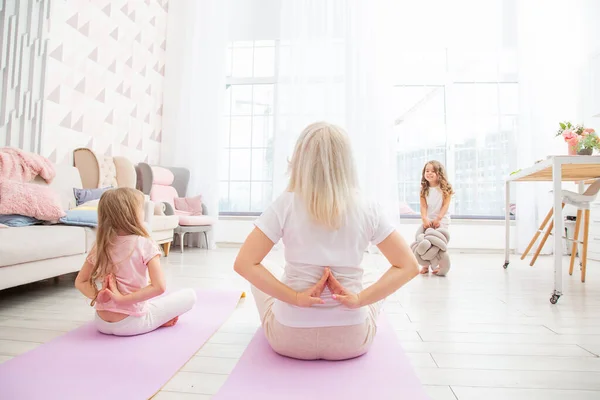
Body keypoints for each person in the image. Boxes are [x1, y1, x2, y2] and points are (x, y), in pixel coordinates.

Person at [234, 122, 419, 361]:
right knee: (372, 276)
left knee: (265, 269)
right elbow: (409, 266)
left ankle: (292, 303)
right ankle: (358, 303)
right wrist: (359, 299)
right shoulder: (368, 207)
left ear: (300, 160)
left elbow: (244, 264)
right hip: (351, 340)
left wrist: (296, 298)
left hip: (289, 339)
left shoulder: (285, 203)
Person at [75, 187, 196, 336]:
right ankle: (158, 321)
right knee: (190, 295)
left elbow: (80, 281)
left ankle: (154, 316)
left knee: (150, 303)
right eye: (142, 209)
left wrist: (97, 295)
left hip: (101, 323)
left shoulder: (100, 246)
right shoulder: (145, 244)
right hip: (132, 323)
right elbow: (159, 287)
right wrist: (123, 300)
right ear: (131, 215)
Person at [419, 160, 454, 275]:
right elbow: (423, 205)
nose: (429, 173)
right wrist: (424, 218)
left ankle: (440, 266)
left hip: (442, 220)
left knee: (438, 244)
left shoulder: (445, 188)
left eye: (432, 171)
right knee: (425, 242)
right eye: (427, 171)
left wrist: (438, 218)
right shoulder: (424, 188)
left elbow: (445, 205)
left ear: (439, 173)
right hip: (428, 219)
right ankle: (425, 265)